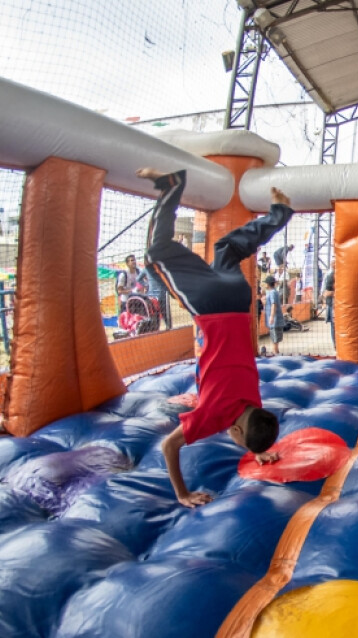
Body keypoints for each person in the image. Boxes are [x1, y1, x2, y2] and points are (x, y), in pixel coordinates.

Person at [139, 167, 289, 508]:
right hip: (210, 307)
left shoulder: (254, 400)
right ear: (235, 431)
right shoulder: (212, 416)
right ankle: (171, 186)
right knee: (154, 254)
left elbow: (250, 420)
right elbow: (169, 446)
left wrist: (259, 449)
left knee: (228, 248)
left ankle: (279, 213)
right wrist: (182, 494)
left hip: (238, 300)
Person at [263, 275, 283, 356]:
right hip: (274, 318)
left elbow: (273, 304)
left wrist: (271, 316)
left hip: (275, 319)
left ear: (268, 284)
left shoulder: (272, 292)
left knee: (275, 335)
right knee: (274, 334)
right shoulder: (271, 292)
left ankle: (275, 351)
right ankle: (275, 350)